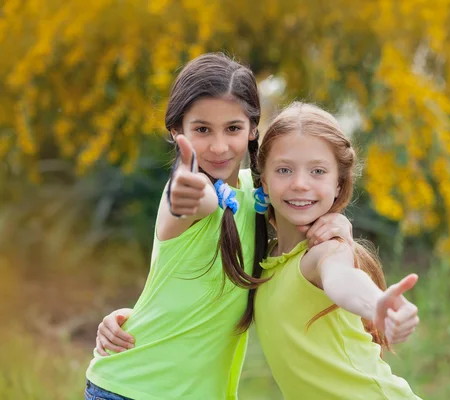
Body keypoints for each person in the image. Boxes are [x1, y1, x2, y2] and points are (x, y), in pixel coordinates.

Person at [84, 54, 353, 400]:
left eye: (233, 128)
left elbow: (305, 203)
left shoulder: (261, 194)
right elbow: (196, 200)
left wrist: (339, 222)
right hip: (131, 390)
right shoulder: (187, 193)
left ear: (254, 128)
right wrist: (187, 193)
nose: (219, 146)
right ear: (177, 131)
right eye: (201, 130)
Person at [252, 102, 421, 399]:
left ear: (338, 183)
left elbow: (341, 278)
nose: (300, 183)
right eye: (284, 170)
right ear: (263, 181)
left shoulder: (323, 252)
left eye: (318, 171)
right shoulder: (269, 258)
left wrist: (376, 304)